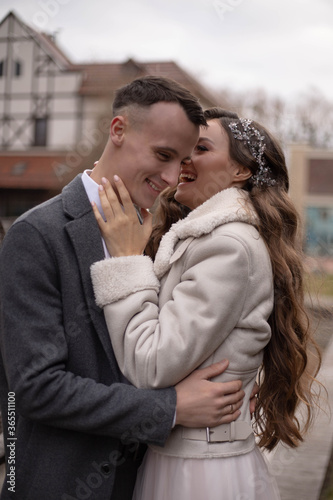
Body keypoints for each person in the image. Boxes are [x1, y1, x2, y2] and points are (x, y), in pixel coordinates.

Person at [0, 79, 246, 500]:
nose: (171, 177)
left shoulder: (162, 236)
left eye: (183, 162)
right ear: (118, 130)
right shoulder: (35, 235)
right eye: (163, 155)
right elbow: (38, 388)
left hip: (145, 482)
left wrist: (239, 383)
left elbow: (167, 343)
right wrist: (171, 408)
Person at [90, 108, 321, 500]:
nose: (184, 160)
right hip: (189, 455)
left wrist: (127, 263)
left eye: (200, 148)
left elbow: (153, 364)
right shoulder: (204, 238)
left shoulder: (226, 246)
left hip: (196, 471)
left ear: (240, 172)